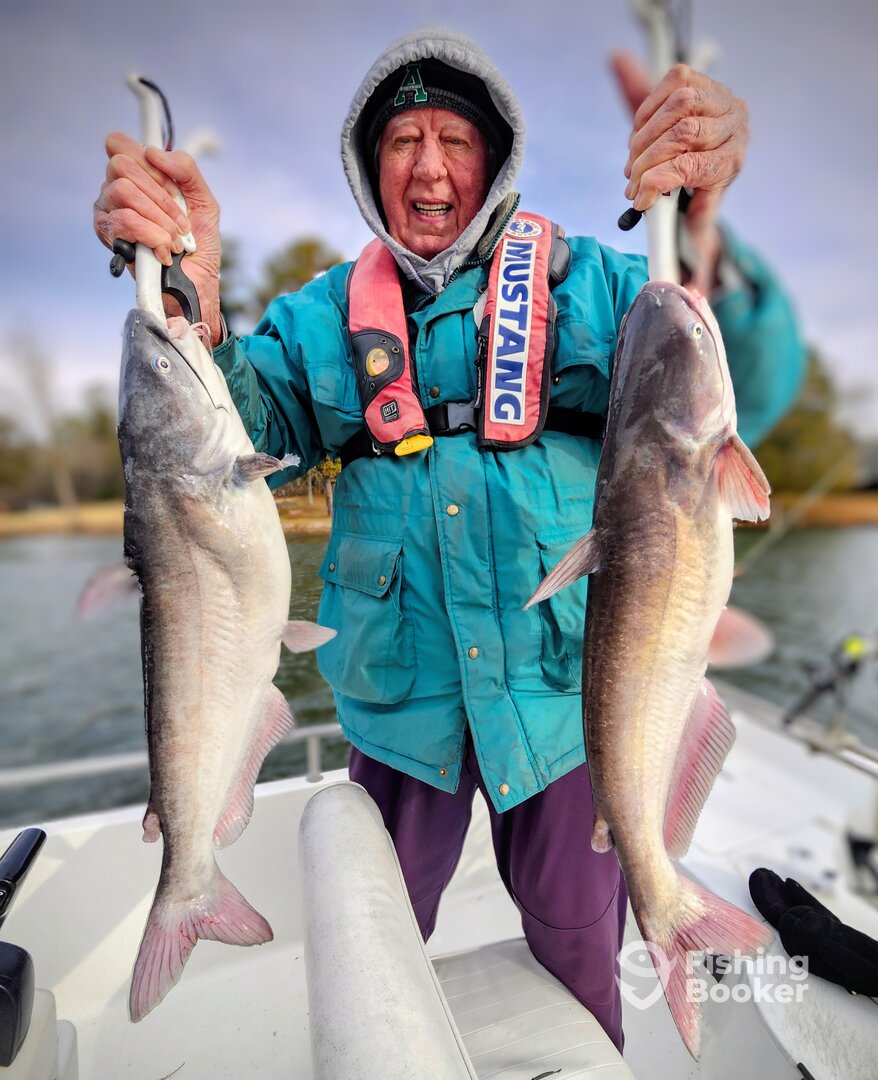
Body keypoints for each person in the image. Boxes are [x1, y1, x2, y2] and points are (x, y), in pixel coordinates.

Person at [93, 29, 805, 1051]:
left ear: (496, 157)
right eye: (401, 142)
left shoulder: (604, 287)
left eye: (454, 139)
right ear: (366, 167)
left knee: (576, 943)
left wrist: (705, 242)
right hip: (398, 712)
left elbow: (743, 388)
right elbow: (222, 453)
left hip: (566, 706)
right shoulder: (323, 317)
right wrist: (190, 306)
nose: (428, 167)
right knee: (377, 951)